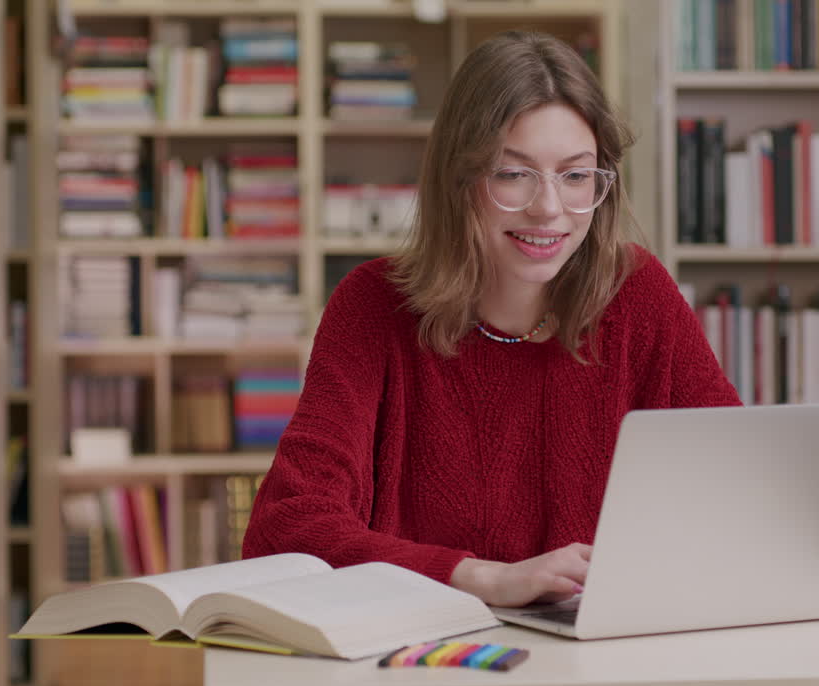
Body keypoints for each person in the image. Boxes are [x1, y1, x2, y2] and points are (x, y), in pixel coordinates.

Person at [241, 30, 740, 608]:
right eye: (513, 173)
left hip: (604, 657)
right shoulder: (373, 306)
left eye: (576, 175)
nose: (549, 208)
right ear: (460, 179)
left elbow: (735, 488)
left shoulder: (637, 294)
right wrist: (483, 578)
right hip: (421, 662)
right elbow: (285, 530)